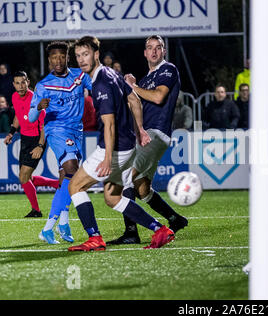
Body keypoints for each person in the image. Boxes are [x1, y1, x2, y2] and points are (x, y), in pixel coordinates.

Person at [67, 36, 176, 251]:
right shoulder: (112, 73)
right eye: (78, 55)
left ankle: (94, 237)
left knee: (75, 186)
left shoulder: (100, 82)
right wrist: (141, 130)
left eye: (85, 54)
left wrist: (107, 158)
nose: (81, 59)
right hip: (128, 147)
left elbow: (108, 125)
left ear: (96, 54)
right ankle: (160, 229)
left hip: (115, 149)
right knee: (112, 197)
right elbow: (134, 99)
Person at [108, 34, 188, 245]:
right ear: (144, 53)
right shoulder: (144, 80)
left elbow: (158, 96)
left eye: (158, 47)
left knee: (123, 176)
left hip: (156, 133)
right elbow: (136, 107)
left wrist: (133, 88)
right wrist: (127, 89)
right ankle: (175, 219)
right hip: (146, 136)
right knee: (141, 187)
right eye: (150, 47)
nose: (153, 51)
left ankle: (131, 232)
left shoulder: (168, 69)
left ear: (163, 51)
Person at [28, 41, 92, 244]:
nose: (58, 61)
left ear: (67, 57)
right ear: (49, 60)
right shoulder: (43, 85)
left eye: (61, 57)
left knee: (68, 177)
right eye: (53, 57)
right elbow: (30, 118)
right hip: (56, 129)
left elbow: (97, 88)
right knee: (72, 169)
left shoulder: (80, 76)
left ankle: (63, 223)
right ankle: (48, 228)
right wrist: (38, 106)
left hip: (77, 131)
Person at [3, 71, 60, 218]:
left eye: (23, 82)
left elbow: (43, 126)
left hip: (37, 140)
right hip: (24, 139)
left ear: (28, 82)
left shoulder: (36, 99)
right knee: (27, 177)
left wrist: (40, 146)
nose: (20, 86)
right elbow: (17, 115)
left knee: (23, 177)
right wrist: (11, 132)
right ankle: (57, 184)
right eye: (17, 83)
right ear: (13, 85)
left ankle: (36, 211)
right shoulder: (15, 97)